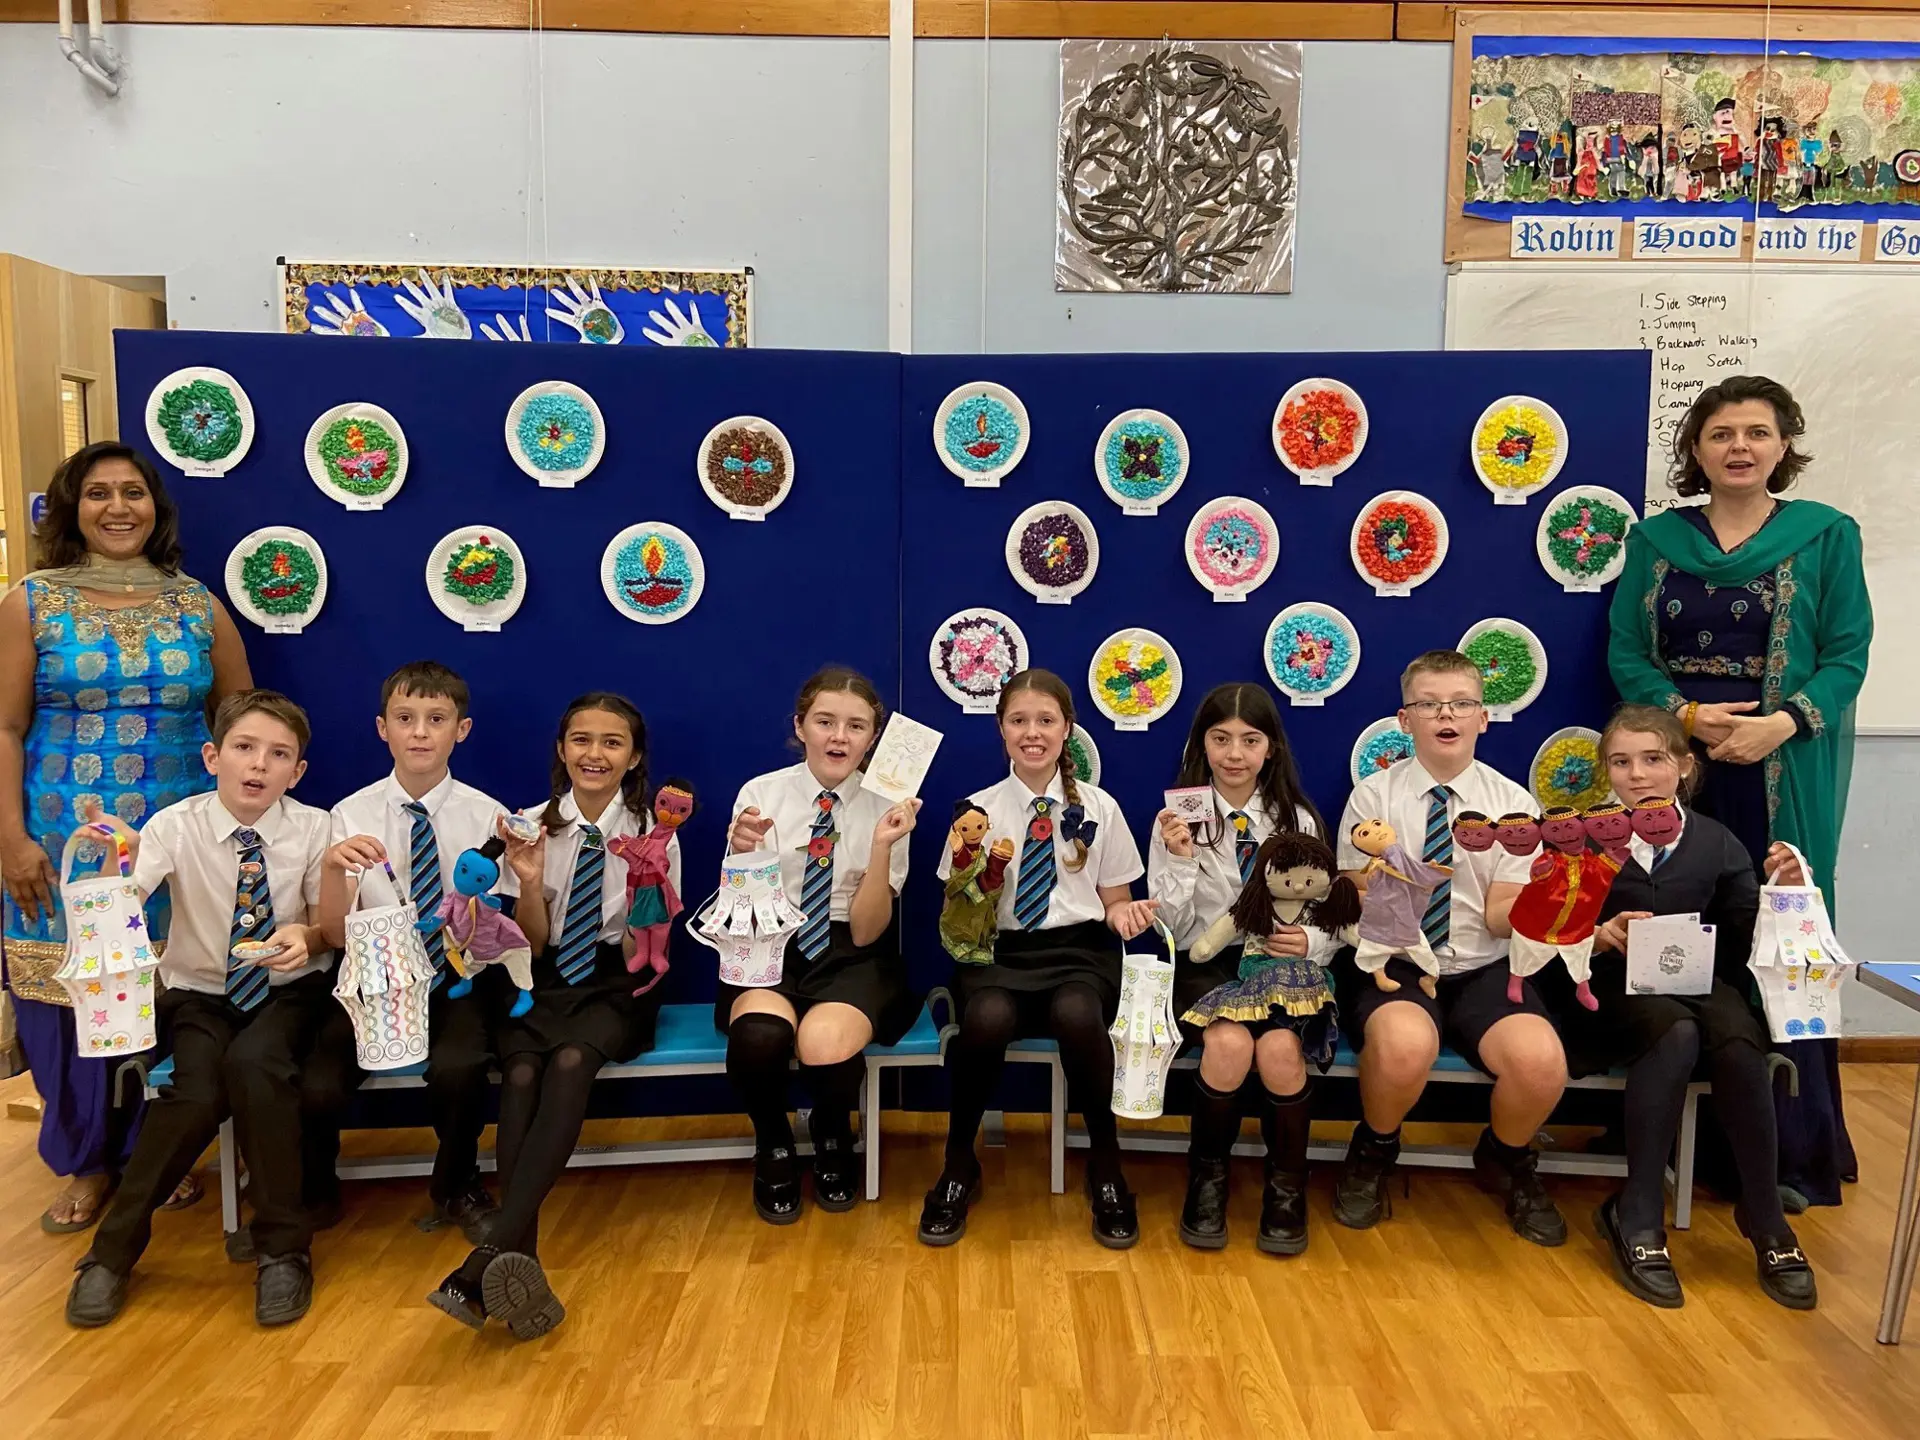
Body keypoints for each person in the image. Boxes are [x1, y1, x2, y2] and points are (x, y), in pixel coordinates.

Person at [1608, 374, 1871, 1208]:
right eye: (1722, 434)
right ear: (1696, 449)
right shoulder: (1656, 543)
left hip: (1781, 764)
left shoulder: (1825, 536)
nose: (1740, 448)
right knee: (1665, 918)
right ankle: (1656, 1125)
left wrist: (1781, 723)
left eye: (1758, 433)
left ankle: (1790, 1148)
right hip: (1678, 762)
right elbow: (1625, 652)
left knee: (1773, 934)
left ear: (1784, 445)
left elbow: (1848, 656)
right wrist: (1687, 719)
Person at [1, 441, 250, 1234]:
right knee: (67, 995)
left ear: (156, 508)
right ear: (71, 508)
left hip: (169, 842)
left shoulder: (196, 604)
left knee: (157, 994)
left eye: (134, 492)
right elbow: (5, 727)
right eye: (99, 493)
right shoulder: (31, 601)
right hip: (58, 840)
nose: (118, 508)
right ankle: (89, 1162)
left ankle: (158, 1153)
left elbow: (239, 719)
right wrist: (9, 837)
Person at [66, 690, 332, 1328]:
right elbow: (121, 903)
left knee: (258, 1068)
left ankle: (282, 1250)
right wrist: (113, 852)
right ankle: (110, 1255)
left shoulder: (315, 826)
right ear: (214, 756)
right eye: (244, 748)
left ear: (296, 773)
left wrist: (309, 936)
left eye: (278, 756)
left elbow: (327, 924)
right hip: (200, 996)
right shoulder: (172, 826)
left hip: (287, 994)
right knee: (192, 1093)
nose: (258, 766)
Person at [427, 692, 677, 1340]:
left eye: (612, 742)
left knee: (570, 1061)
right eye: (582, 740)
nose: (595, 754)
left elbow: (642, 949)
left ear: (634, 755)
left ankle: (486, 1259)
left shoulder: (655, 833)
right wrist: (530, 881)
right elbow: (530, 945)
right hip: (535, 978)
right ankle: (520, 1260)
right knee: (519, 1075)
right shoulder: (526, 825)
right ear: (563, 750)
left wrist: (648, 892)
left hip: (616, 982)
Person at [1562, 705, 1817, 1310]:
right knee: (1673, 1032)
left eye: (1652, 759)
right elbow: (1548, 925)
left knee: (1738, 1039)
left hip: (1697, 981)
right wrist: (1596, 932)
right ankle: (1639, 1212)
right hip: (1608, 989)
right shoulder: (1584, 837)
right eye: (1621, 762)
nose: (1637, 775)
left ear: (1683, 766)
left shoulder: (1716, 841)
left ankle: (1763, 1217)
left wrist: (1783, 888)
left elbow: (1744, 934)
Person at [1331, 650, 1568, 1245]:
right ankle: (1376, 1148)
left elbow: (1501, 918)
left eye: (1461, 703)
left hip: (1483, 964)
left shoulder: (1514, 805)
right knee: (1405, 1045)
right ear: (1404, 720)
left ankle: (1505, 1157)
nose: (1446, 714)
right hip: (1399, 961)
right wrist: (1397, 882)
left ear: (1483, 718)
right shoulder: (1372, 798)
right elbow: (1352, 896)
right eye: (1429, 704)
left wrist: (1564, 907)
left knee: (1540, 1064)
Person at [921, 669, 1157, 1249]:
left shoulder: (1100, 806)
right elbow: (959, 907)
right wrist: (970, 872)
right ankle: (959, 1165)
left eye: (1046, 720)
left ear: (1067, 729)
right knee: (987, 1019)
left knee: (1078, 1016)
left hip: (1079, 953)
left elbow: (1114, 901)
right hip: (997, 951)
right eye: (1019, 721)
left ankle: (1105, 1166)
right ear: (1001, 730)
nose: (1033, 733)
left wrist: (1127, 916)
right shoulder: (975, 810)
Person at [721, 667, 920, 1225]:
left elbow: (865, 931)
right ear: (800, 726)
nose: (840, 737)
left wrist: (882, 847)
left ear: (872, 737)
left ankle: (834, 1140)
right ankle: (776, 1145)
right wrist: (742, 857)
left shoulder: (889, 804)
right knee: (759, 1034)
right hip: (770, 938)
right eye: (826, 722)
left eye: (856, 726)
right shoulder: (761, 794)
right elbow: (741, 910)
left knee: (825, 1041)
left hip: (851, 951)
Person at [321, 662, 509, 1242]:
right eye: (405, 719)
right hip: (376, 981)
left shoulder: (489, 816)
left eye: (436, 719)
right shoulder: (349, 815)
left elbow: (504, 926)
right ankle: (311, 1183)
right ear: (383, 729)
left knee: (460, 1068)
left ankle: (458, 1181)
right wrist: (335, 868)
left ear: (463, 729)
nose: (420, 733)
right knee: (316, 1077)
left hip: (459, 976)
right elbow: (332, 934)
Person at [1146, 682, 1327, 1253]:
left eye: (1250, 740)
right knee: (1228, 1048)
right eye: (1220, 739)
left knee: (1277, 1052)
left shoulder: (1296, 819)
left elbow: (1327, 913)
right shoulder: (1179, 817)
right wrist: (1178, 860)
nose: (1234, 754)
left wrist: (1310, 942)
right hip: (1207, 961)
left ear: (1270, 748)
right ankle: (1207, 1180)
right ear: (1203, 744)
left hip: (1277, 962)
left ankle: (1286, 1188)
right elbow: (1170, 927)